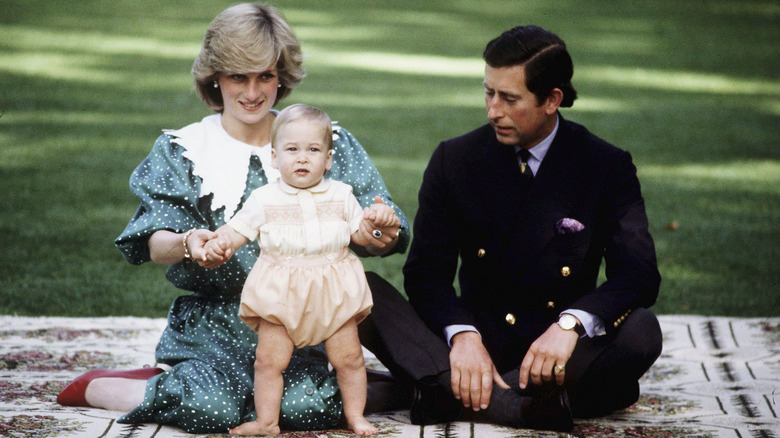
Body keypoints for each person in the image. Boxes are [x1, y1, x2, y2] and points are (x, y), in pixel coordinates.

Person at [56, 4, 409, 434]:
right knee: (211, 410)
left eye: (265, 75)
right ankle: (123, 385)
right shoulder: (183, 149)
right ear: (215, 78)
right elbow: (153, 241)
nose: (253, 91)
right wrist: (189, 243)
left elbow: (379, 233)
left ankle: (349, 383)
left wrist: (381, 233)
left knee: (302, 409)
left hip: (303, 324)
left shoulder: (320, 140)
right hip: (215, 324)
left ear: (282, 76)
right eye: (238, 76)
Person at [357, 25, 663, 432]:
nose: (492, 110)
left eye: (509, 98)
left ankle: (435, 390)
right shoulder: (456, 159)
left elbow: (638, 275)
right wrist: (463, 337)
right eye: (488, 92)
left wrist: (571, 325)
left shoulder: (605, 166)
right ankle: (513, 406)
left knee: (642, 331)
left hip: (553, 358)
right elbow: (426, 274)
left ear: (552, 99)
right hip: (470, 348)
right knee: (357, 288)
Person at [201, 104, 390, 436]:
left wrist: (375, 225)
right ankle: (266, 422)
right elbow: (237, 230)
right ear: (274, 157)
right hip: (281, 293)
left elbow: (361, 234)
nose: (302, 158)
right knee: (269, 361)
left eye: (313, 150)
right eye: (292, 150)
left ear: (328, 159)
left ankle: (356, 416)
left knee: (349, 359)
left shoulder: (341, 195)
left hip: (334, 289)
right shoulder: (264, 199)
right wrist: (221, 243)